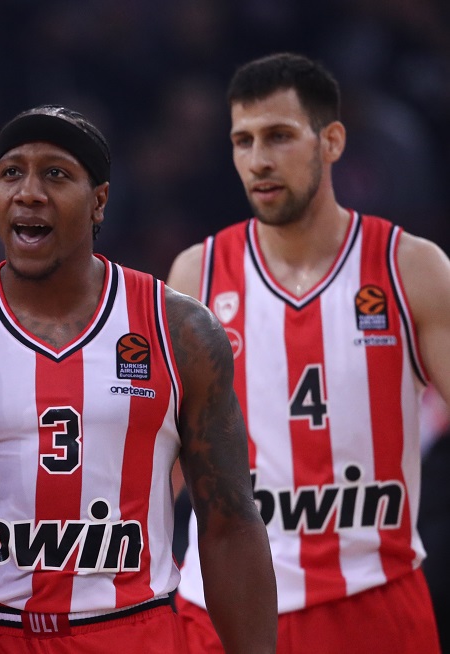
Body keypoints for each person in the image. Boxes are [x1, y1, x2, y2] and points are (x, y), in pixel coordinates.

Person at [0, 104, 276, 653]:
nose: (28, 192)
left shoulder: (179, 329)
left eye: (55, 173)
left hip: (131, 631)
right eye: (11, 173)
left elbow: (230, 524)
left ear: (99, 201)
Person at [167, 52, 448, 653]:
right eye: (243, 141)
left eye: (279, 136)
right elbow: (163, 457)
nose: (258, 160)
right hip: (225, 609)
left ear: (332, 141)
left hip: (373, 597)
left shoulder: (410, 268)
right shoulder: (197, 274)